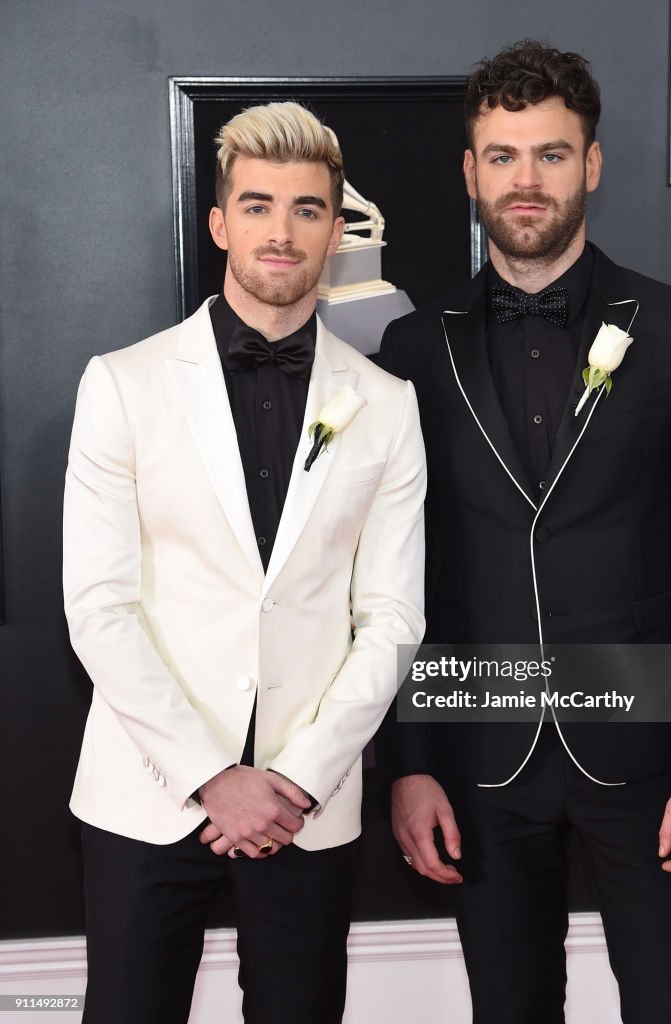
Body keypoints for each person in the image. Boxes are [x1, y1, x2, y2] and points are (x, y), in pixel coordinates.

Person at [377, 40, 671, 1024]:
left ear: (589, 164)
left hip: (649, 760)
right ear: (469, 173)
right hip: (479, 762)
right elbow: (400, 576)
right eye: (501, 156)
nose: (525, 179)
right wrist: (413, 761)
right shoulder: (415, 347)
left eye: (550, 154)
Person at [63, 101, 426, 1024]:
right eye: (257, 205)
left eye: (307, 209)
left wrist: (295, 778)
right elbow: (98, 606)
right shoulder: (122, 382)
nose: (281, 230)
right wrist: (210, 777)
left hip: (307, 803)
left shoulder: (386, 406)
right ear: (221, 223)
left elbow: (391, 618)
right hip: (148, 794)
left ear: (335, 232)